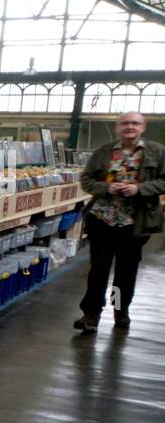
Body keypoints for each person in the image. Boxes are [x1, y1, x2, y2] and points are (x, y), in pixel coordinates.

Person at [74, 111, 165, 331]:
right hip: (102, 221)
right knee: (98, 270)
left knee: (125, 272)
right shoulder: (104, 152)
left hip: (134, 224)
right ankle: (91, 315)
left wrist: (139, 189)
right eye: (125, 123)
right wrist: (106, 187)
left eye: (135, 123)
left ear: (143, 127)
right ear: (117, 127)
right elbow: (86, 179)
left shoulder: (157, 152)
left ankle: (120, 311)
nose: (129, 127)